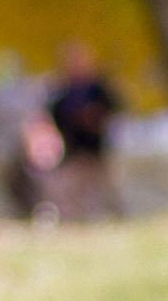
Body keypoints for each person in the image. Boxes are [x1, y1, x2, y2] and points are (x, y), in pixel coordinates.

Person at [47, 42, 125, 218]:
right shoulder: (61, 90)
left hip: (99, 150)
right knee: (70, 194)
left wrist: (95, 117)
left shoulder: (99, 88)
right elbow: (54, 115)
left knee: (106, 194)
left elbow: (115, 111)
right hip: (73, 150)